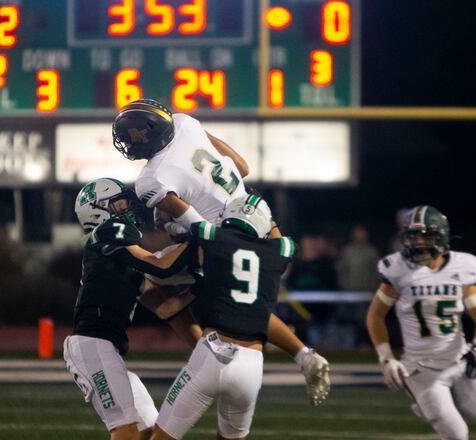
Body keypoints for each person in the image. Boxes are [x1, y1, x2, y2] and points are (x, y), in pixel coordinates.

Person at [112, 99, 330, 405]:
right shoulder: (185, 123)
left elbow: (199, 227)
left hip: (226, 236)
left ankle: (205, 356)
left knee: (153, 284)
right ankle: (305, 356)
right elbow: (241, 167)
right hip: (261, 223)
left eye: (127, 136)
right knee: (245, 305)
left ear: (144, 135)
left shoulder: (152, 178)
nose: (123, 143)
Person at [150, 195, 297, 440]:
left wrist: (158, 192)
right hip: (251, 363)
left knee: (162, 436)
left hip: (211, 353)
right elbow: (282, 240)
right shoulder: (280, 250)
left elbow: (186, 214)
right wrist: (268, 219)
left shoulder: (214, 237)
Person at [64, 178, 196, 440]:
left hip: (106, 348)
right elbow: (160, 266)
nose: (128, 209)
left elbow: (166, 308)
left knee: (149, 430)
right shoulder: (107, 232)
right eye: (120, 203)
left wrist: (197, 289)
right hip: (92, 344)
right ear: (98, 209)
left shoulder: (120, 257)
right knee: (125, 430)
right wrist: (202, 240)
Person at [366, 206, 476, 440]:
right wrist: (386, 357)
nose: (419, 242)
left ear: (441, 236)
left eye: (426, 235)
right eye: (414, 236)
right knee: (457, 434)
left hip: (460, 361)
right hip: (421, 370)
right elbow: (375, 315)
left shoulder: (462, 267)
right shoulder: (398, 270)